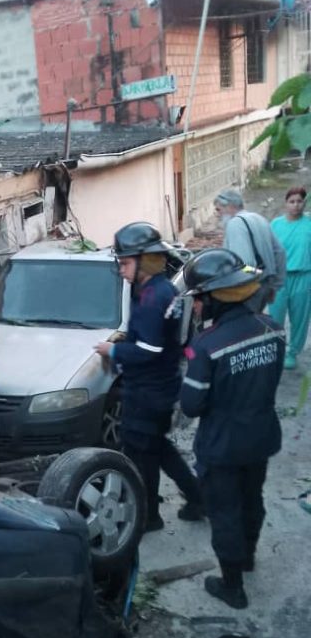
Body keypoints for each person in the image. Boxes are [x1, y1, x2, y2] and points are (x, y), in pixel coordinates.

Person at [179, 248, 284, 610]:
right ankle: (248, 558)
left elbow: (192, 405)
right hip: (261, 438)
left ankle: (232, 585)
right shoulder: (273, 329)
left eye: (197, 300)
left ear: (214, 299)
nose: (194, 307)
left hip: (221, 446)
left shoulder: (206, 346)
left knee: (225, 513)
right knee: (252, 500)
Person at [95, 222, 203, 532]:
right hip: (149, 386)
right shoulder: (143, 287)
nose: (121, 270)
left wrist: (112, 351)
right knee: (155, 448)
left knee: (143, 453)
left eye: (126, 262)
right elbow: (141, 336)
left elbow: (150, 350)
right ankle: (197, 497)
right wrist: (124, 341)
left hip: (151, 390)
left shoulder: (157, 295)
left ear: (146, 260)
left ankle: (149, 515)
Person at [214, 188, 286, 312]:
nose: (218, 214)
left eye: (219, 209)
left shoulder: (235, 224)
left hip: (249, 289)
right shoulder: (258, 218)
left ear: (230, 206)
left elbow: (245, 264)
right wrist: (275, 285)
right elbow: (280, 252)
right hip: (265, 285)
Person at [269, 186, 311, 370]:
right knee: (275, 317)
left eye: (299, 201)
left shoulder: (309, 224)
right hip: (280, 278)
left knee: (300, 318)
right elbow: (268, 250)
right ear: (286, 203)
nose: (296, 205)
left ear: (305, 203)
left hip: (303, 277)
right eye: (292, 201)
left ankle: (293, 352)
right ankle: (276, 349)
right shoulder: (275, 225)